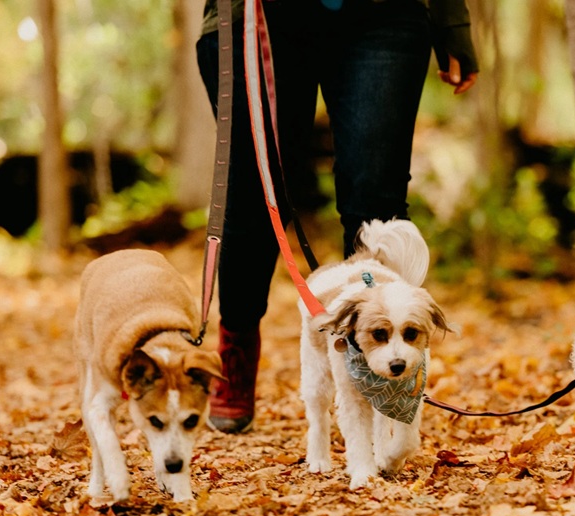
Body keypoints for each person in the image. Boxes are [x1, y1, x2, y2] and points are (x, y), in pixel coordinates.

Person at [196, 0, 478, 433]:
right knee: (254, 192)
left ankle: (382, 365)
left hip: (383, 14)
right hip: (263, 17)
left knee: (377, 203)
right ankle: (236, 341)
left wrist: (450, 20)